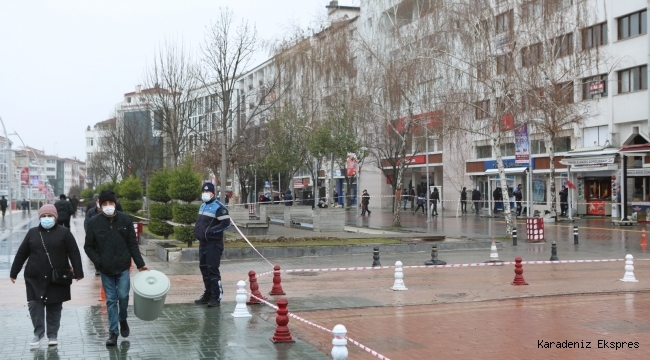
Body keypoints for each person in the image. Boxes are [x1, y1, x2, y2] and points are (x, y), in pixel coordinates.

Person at [10, 204, 84, 347]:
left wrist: (78, 271)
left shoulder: (64, 233)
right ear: (39, 218)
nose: (46, 219)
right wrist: (14, 272)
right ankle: (38, 333)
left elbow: (74, 252)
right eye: (43, 216)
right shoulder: (32, 233)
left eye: (49, 216)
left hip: (56, 277)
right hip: (34, 277)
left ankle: (52, 335)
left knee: (54, 306)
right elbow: (21, 253)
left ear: (55, 217)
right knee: (34, 304)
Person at [84, 190, 149, 346]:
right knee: (111, 300)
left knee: (123, 297)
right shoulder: (94, 223)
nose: (108, 206)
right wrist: (98, 262)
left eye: (110, 203)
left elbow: (132, 244)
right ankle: (113, 333)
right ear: (100, 205)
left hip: (122, 267)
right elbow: (88, 247)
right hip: (105, 269)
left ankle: (123, 319)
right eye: (104, 204)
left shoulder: (125, 220)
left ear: (115, 204)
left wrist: (140, 264)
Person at [193, 182, 231, 308]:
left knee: (212, 269)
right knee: (204, 269)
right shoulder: (203, 205)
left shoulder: (219, 207)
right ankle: (208, 293)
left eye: (207, 192)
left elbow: (225, 224)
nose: (205, 194)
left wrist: (209, 232)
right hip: (203, 243)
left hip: (213, 244)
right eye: (203, 192)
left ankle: (216, 295)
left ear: (213, 193)